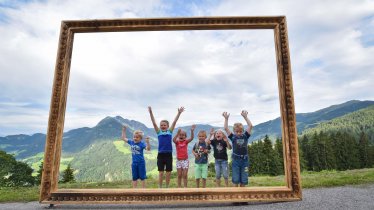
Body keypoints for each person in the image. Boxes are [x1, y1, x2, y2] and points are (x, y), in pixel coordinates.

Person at [148, 106, 185, 188]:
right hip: (160, 154)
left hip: (168, 154)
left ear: (168, 126)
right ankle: (160, 187)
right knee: (161, 172)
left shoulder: (170, 131)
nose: (163, 126)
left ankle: (167, 187)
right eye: (161, 125)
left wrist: (179, 113)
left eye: (164, 125)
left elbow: (174, 122)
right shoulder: (158, 132)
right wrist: (150, 112)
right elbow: (153, 122)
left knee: (168, 172)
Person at [223, 110, 253, 187]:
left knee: (244, 179)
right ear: (234, 131)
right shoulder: (233, 137)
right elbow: (226, 128)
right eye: (237, 131)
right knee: (235, 179)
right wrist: (226, 118)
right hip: (236, 160)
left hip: (245, 160)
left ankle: (242, 195)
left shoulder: (245, 136)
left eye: (240, 131)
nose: (239, 133)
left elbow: (250, 126)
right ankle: (235, 195)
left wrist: (245, 117)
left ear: (243, 131)